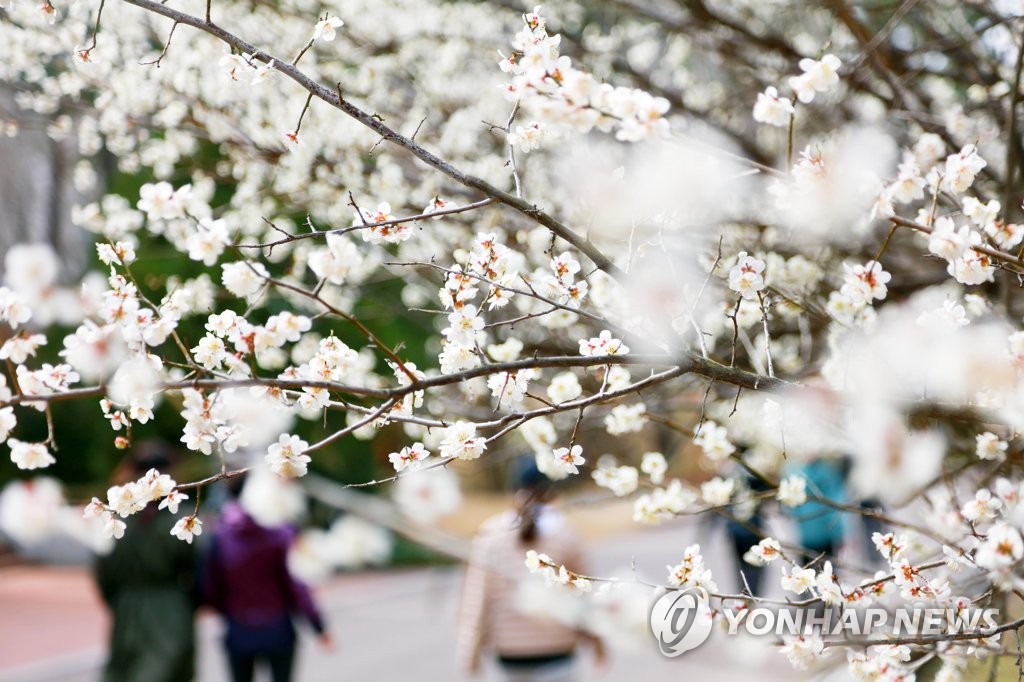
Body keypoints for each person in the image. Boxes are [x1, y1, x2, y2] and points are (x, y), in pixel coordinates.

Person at [457, 456, 604, 681]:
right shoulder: (567, 535)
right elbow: (586, 592)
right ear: (551, 491)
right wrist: (596, 639)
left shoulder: (491, 534)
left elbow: (478, 598)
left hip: (509, 651)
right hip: (557, 648)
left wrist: (471, 651)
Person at [201, 474, 331, 682]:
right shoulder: (281, 532)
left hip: (238, 629)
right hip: (278, 629)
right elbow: (296, 584)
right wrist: (318, 625)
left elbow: (211, 585)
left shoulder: (221, 535)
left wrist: (227, 611)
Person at [95, 441, 197, 682]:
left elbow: (103, 572)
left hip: (129, 606)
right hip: (170, 606)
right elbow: (197, 568)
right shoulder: (181, 518)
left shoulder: (117, 520)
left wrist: (120, 599)